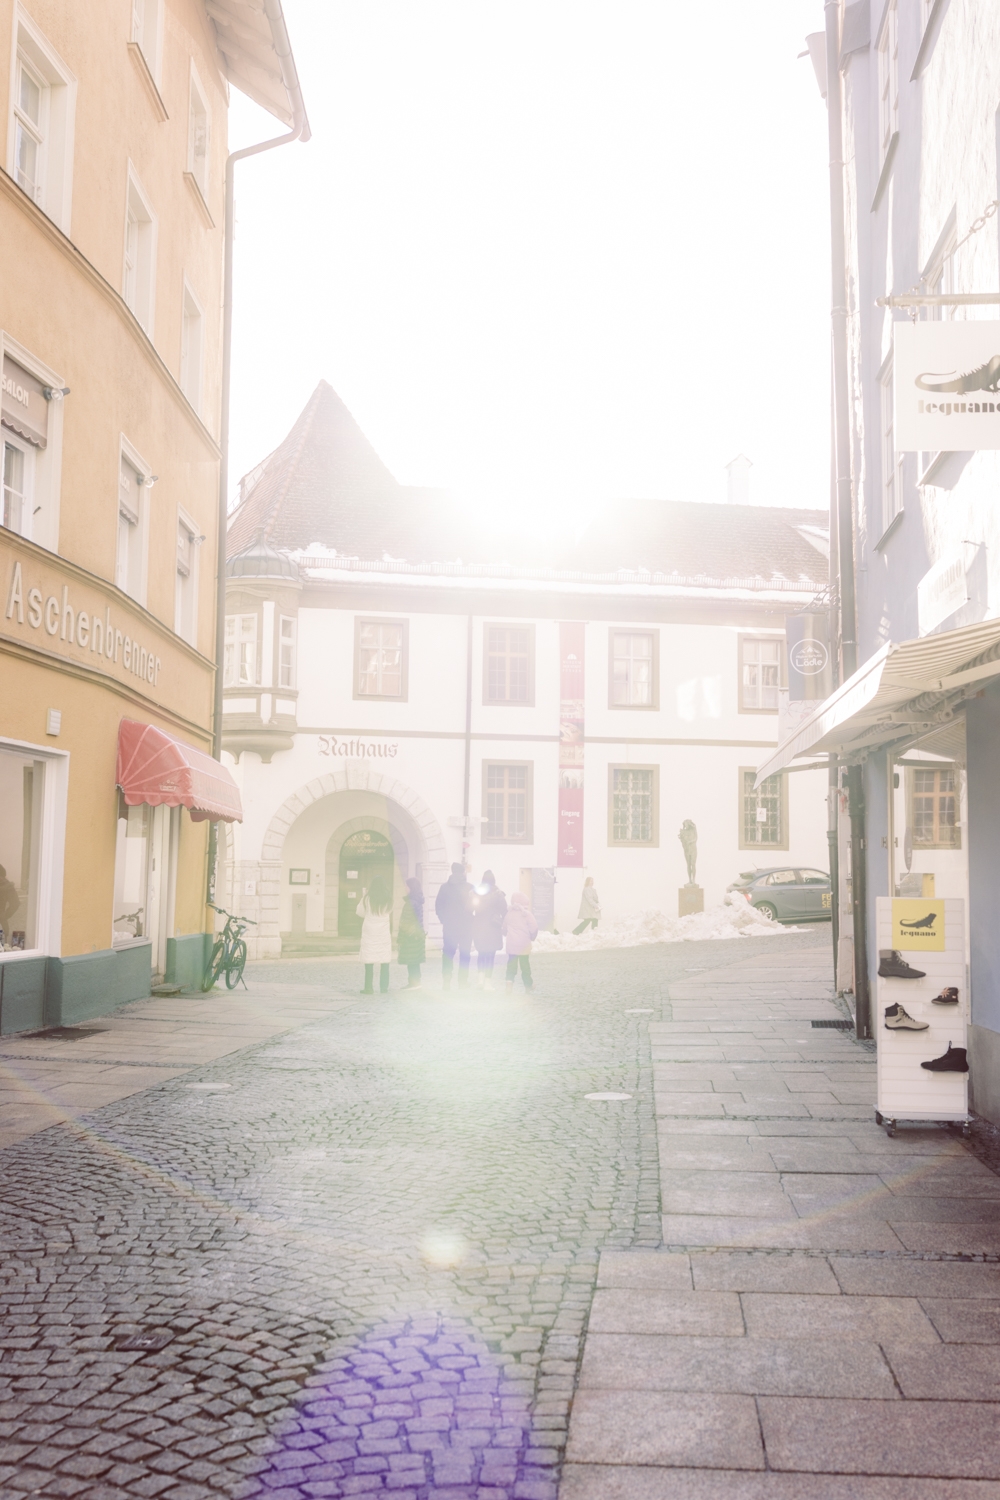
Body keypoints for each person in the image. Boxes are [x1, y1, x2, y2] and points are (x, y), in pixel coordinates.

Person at [435, 862, 474, 989]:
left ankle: (446, 980)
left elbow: (438, 906)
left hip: (449, 926)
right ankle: (462, 981)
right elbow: (475, 906)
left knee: (447, 954)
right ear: (463, 872)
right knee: (465, 954)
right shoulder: (470, 887)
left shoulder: (444, 887)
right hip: (465, 927)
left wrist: (444, 919)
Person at [472, 870, 507, 990]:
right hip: (493, 927)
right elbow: (504, 910)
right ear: (493, 880)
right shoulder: (498, 894)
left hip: (479, 927)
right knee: (491, 955)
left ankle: (480, 980)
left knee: (481, 953)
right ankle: (488, 982)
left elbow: (471, 907)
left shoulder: (476, 893)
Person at [358, 875, 393, 994]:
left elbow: (360, 912)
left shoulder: (367, 898)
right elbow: (389, 911)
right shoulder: (388, 898)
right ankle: (384, 987)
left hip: (370, 931)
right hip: (383, 931)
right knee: (384, 959)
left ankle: (368, 987)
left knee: (369, 959)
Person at [502, 891, 538, 994]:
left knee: (511, 966)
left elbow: (504, 927)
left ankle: (509, 986)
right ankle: (528, 986)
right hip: (524, 945)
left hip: (512, 945)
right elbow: (534, 927)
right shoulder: (527, 914)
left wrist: (505, 933)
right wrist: (532, 937)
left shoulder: (509, 914)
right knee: (525, 966)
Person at [397, 876, 426, 990]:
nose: (405, 887)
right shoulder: (417, 901)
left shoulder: (411, 903)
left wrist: (401, 937)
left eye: (406, 885)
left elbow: (406, 922)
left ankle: (414, 982)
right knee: (415, 959)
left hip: (411, 936)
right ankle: (416, 981)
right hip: (417, 935)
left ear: (411, 887)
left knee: (412, 959)